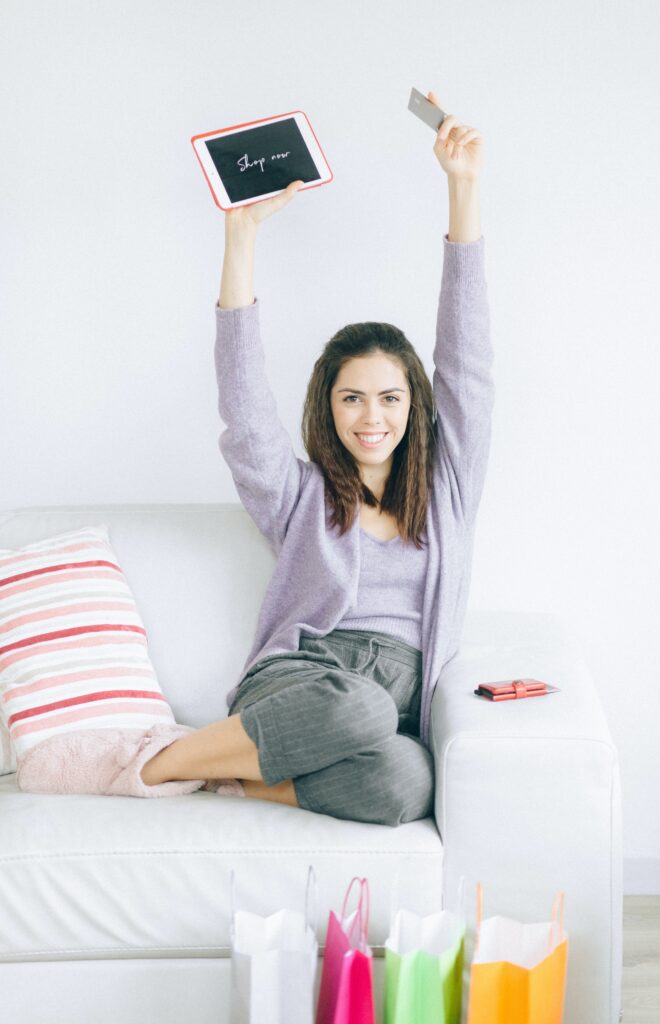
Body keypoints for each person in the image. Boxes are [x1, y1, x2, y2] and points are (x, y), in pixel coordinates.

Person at [18, 93, 493, 827]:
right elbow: (243, 410)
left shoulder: (447, 490)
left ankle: (223, 777)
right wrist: (238, 240)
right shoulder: (300, 496)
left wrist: (462, 187)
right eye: (351, 399)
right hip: (303, 682)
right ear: (327, 410)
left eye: (390, 398)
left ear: (414, 406)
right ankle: (144, 764)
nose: (372, 417)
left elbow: (468, 363)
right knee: (360, 705)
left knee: (406, 781)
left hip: (381, 713)